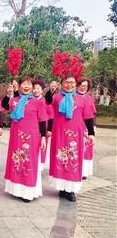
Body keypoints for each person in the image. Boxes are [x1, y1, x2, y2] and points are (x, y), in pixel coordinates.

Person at [47, 73, 95, 202]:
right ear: (62, 84)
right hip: (59, 134)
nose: (70, 85)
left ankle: (71, 190)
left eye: (72, 82)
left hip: (75, 135)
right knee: (60, 159)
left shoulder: (82, 99)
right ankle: (62, 188)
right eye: (67, 82)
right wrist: (51, 90)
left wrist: (91, 133)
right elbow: (47, 105)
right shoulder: (56, 97)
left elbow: (88, 117)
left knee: (73, 160)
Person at [2, 77, 47, 202]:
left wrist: (43, 137)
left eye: (29, 84)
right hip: (16, 137)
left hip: (32, 138)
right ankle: (15, 189)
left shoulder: (39, 102)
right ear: (19, 86)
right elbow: (5, 105)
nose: (26, 86)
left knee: (29, 161)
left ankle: (28, 191)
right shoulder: (15, 100)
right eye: (24, 84)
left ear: (32, 87)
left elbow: (42, 121)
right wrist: (8, 93)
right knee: (16, 160)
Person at [76, 78, 96, 179]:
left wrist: (92, 130)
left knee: (86, 151)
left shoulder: (89, 98)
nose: (82, 87)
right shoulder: (71, 97)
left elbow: (92, 115)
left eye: (85, 86)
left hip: (87, 128)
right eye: (81, 85)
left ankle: (84, 172)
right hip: (75, 128)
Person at [32, 80, 53, 170]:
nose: (35, 90)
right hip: (32, 128)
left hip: (43, 127)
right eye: (34, 88)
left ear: (42, 90)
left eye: (38, 88)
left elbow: (51, 116)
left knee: (41, 146)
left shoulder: (45, 101)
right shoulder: (29, 100)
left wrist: (49, 130)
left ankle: (39, 166)